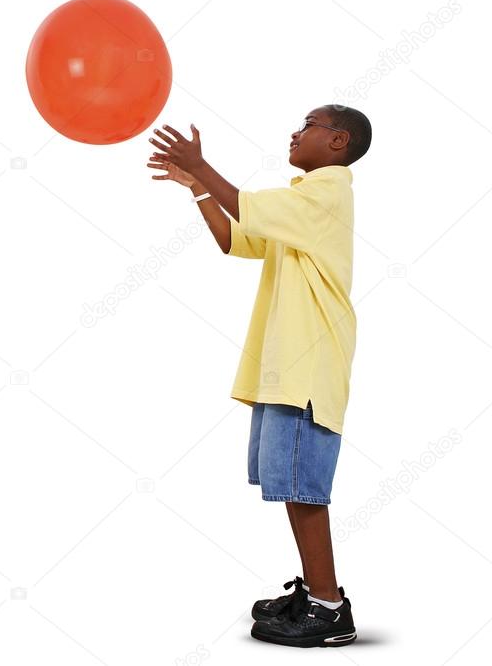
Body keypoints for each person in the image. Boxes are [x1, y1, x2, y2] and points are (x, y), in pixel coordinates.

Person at [147, 104, 372, 647]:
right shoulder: (303, 200)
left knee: (307, 491)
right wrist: (196, 188)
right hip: (287, 367)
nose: (296, 132)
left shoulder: (328, 190)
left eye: (309, 125)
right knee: (295, 487)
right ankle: (318, 591)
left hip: (308, 366)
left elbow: (244, 204)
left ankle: (329, 606)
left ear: (337, 141)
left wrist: (202, 168)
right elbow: (234, 237)